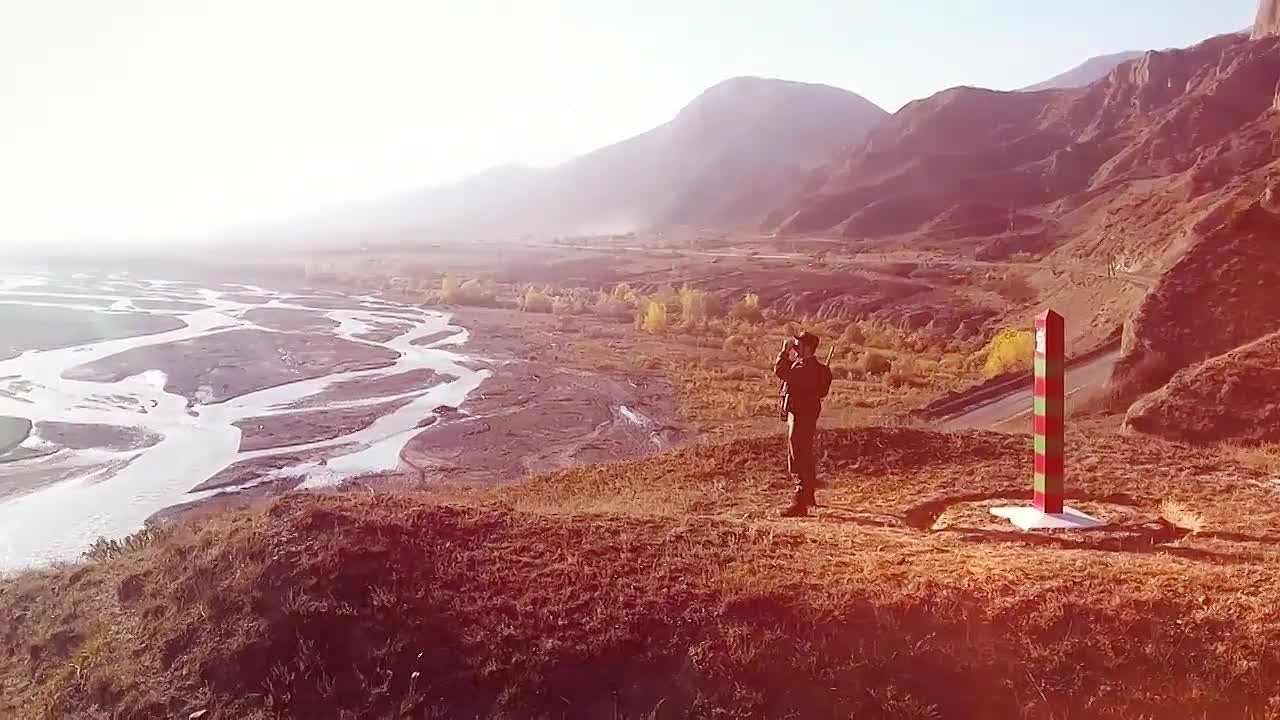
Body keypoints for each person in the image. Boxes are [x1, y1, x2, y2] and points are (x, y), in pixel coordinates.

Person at [773, 331, 833, 517]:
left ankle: (799, 503)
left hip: (800, 415)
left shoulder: (804, 368)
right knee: (805, 452)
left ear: (807, 348)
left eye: (798, 345)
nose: (795, 347)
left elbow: (781, 371)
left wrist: (784, 353)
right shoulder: (817, 369)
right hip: (807, 414)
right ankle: (808, 496)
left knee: (797, 454)